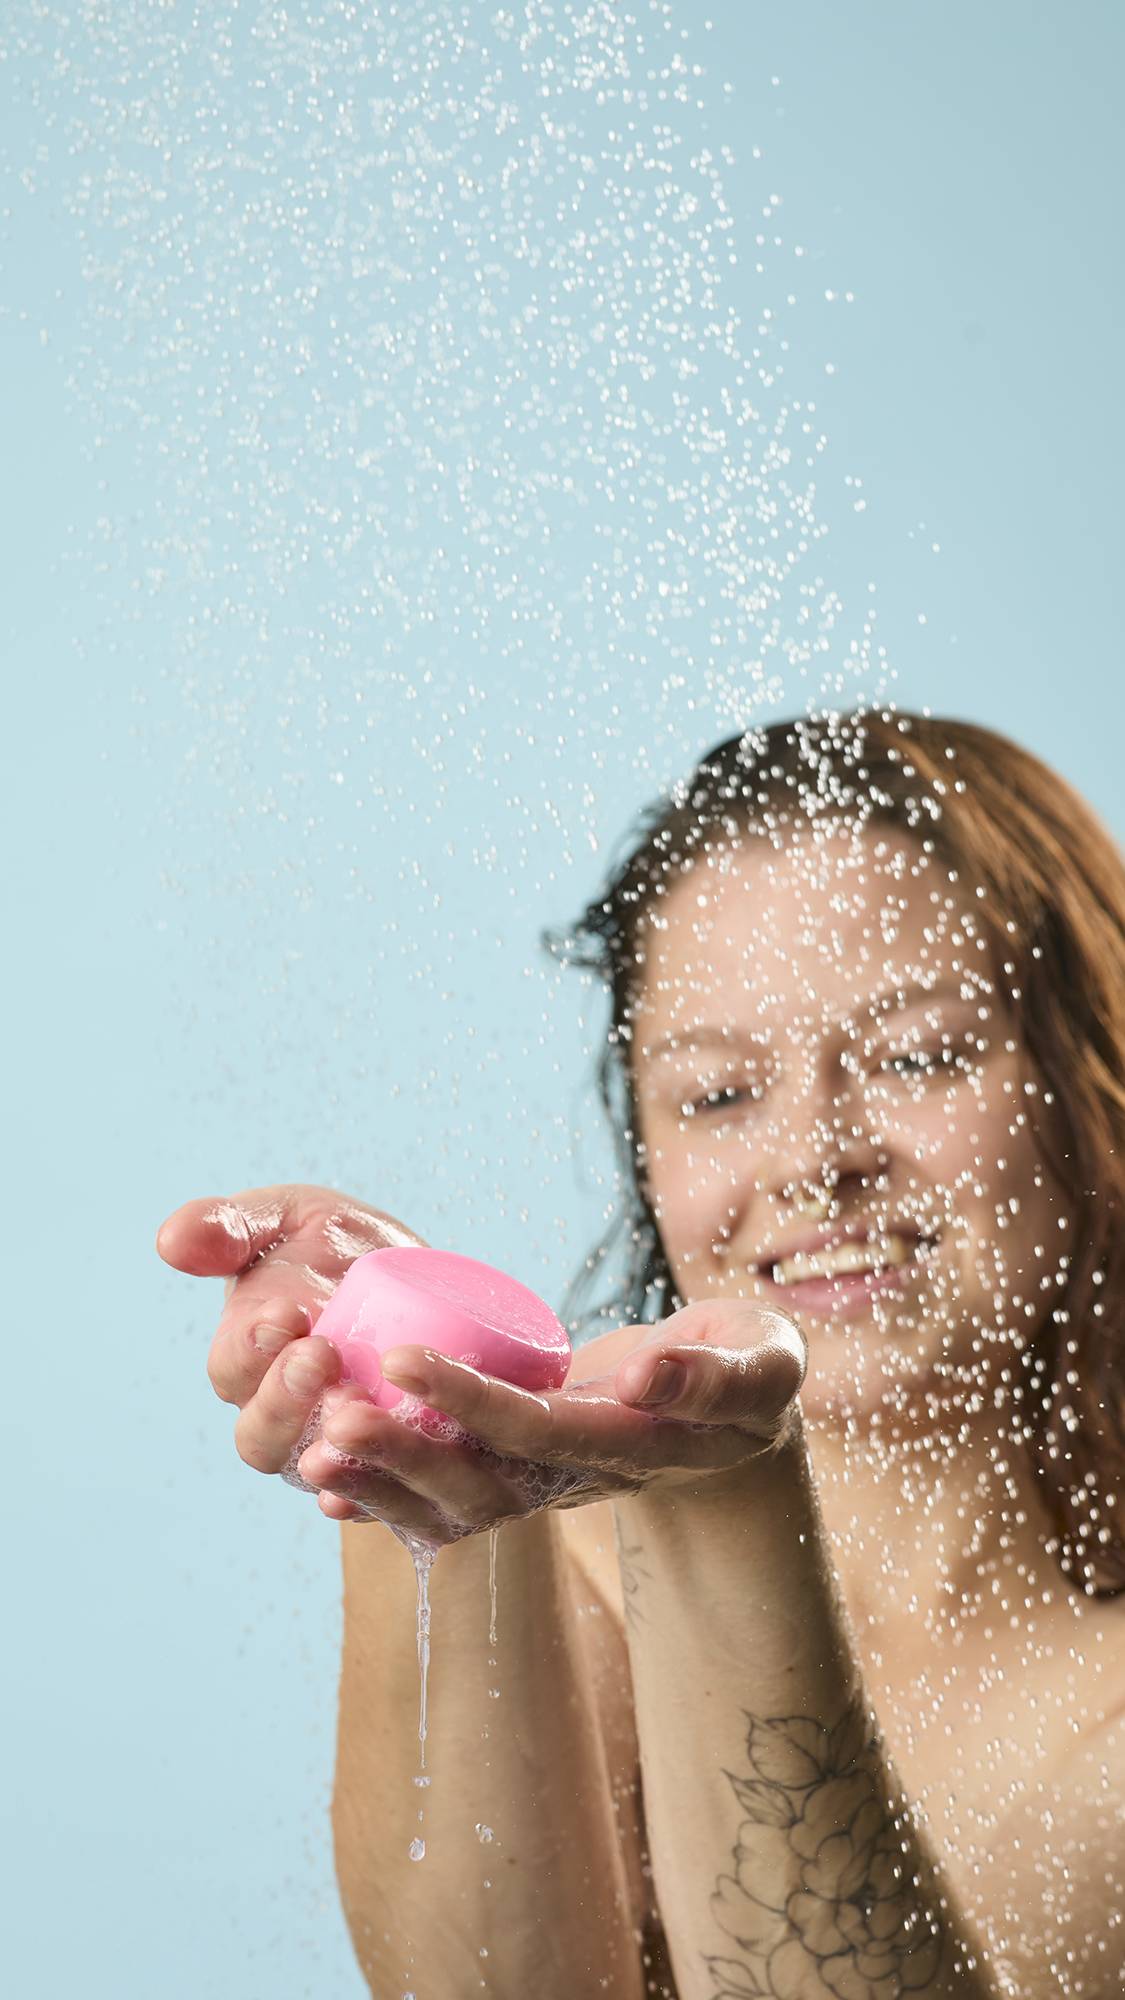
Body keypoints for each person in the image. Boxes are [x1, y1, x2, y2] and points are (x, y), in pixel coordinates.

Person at [157, 707, 1125, 2000]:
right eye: (719, 1093)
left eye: (918, 1056)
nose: (814, 1158)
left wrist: (724, 1493)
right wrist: (400, 1419)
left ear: (1092, 1069)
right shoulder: (570, 1588)